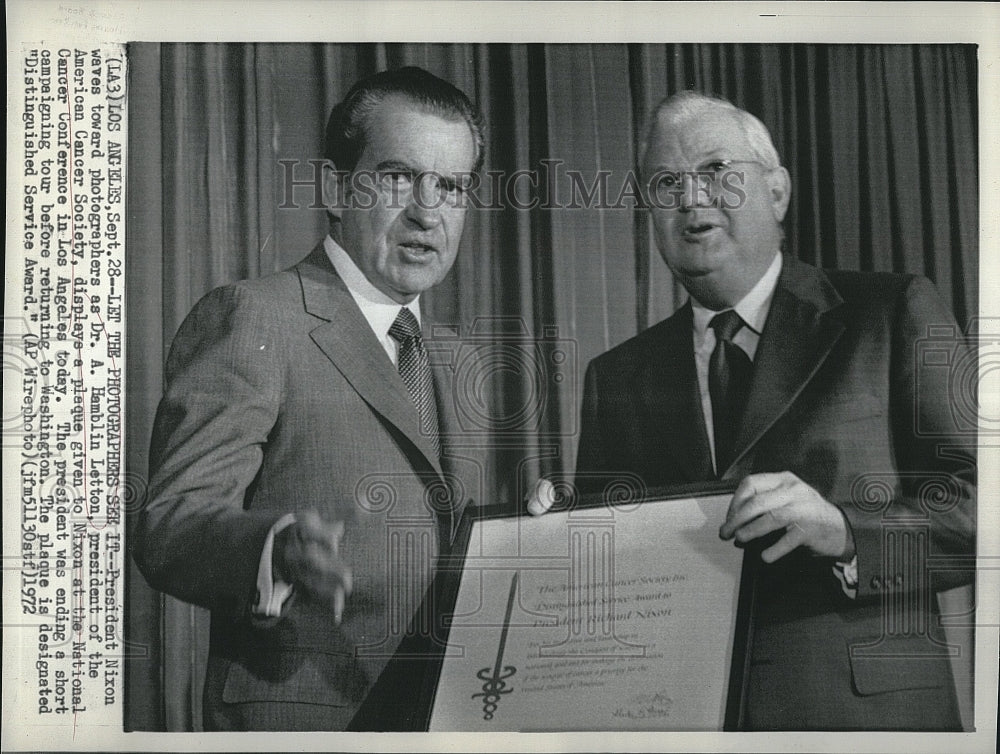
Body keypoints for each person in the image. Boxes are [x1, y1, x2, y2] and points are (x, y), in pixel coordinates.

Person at [530, 91, 975, 730]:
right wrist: (560, 542)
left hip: (870, 726)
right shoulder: (617, 377)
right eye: (665, 183)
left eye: (715, 171)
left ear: (777, 191)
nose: (690, 198)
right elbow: (616, 590)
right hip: (683, 729)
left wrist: (848, 533)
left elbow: (982, 512)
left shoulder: (892, 311)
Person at [133, 67, 484, 731]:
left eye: (451, 186)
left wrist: (524, 530)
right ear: (334, 186)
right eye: (398, 176)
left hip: (446, 723)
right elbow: (170, 525)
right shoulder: (255, 316)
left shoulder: (459, 360)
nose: (427, 211)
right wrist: (277, 547)